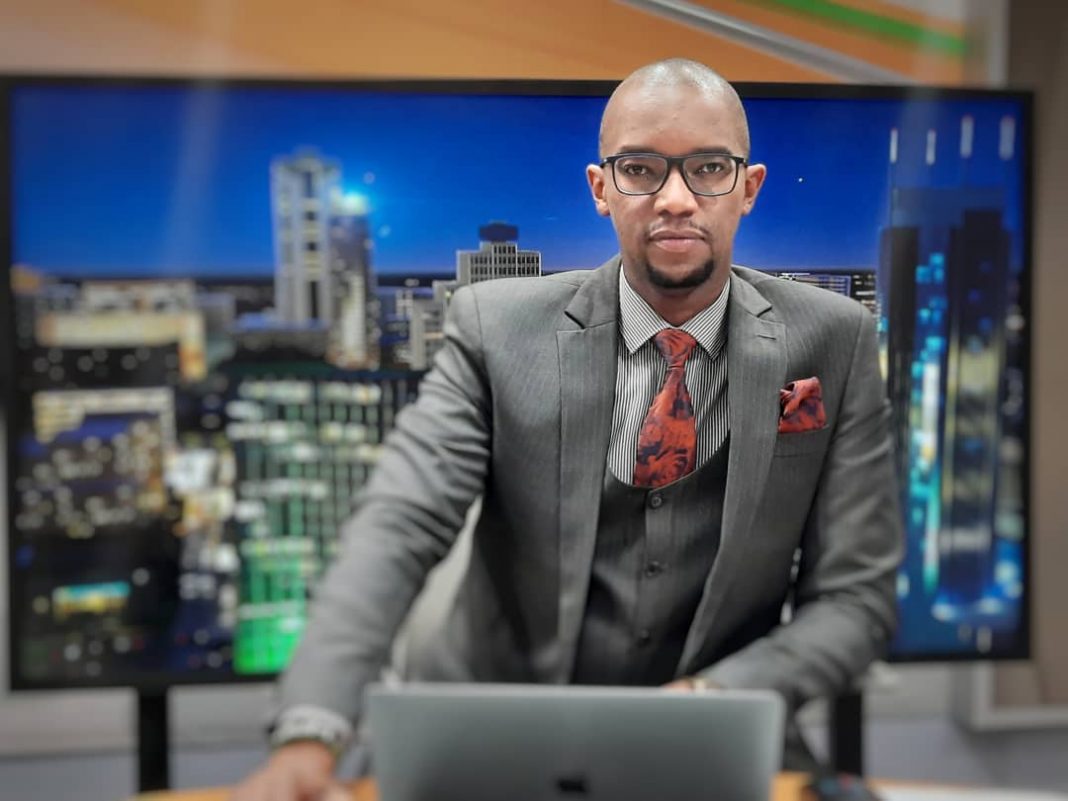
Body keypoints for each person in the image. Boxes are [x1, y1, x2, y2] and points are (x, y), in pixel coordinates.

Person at [233, 57, 903, 801]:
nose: (675, 198)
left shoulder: (835, 341)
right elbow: (397, 525)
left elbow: (856, 599)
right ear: (600, 189)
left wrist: (709, 700)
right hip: (492, 739)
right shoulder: (495, 329)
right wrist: (311, 728)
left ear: (748, 188)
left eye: (709, 168)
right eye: (640, 169)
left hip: (722, 738)